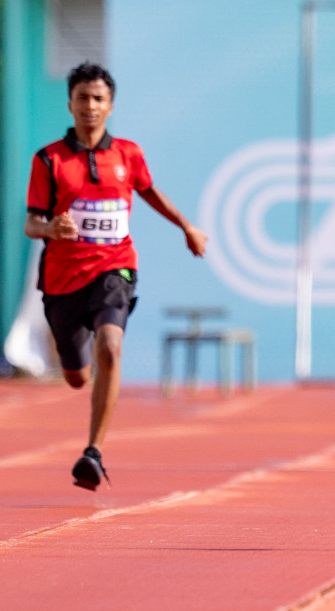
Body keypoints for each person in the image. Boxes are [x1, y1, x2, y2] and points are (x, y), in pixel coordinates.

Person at [25, 63, 207, 490]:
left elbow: (149, 191)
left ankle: (93, 452)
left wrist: (186, 226)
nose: (90, 106)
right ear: (70, 104)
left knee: (110, 344)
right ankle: (78, 359)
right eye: (83, 98)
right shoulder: (49, 159)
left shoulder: (128, 154)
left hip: (114, 267)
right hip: (62, 279)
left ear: (110, 106)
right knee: (77, 377)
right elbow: (31, 222)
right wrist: (51, 228)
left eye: (99, 98)